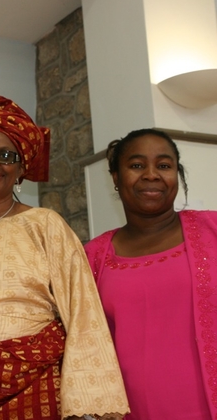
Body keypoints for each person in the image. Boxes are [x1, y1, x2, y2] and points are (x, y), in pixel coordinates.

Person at [0, 95, 130, 420]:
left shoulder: (46, 223)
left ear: (22, 167)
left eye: (5, 155)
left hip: (37, 383)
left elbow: (83, 312)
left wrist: (90, 398)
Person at [85, 128, 217, 419]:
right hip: (135, 409)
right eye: (136, 165)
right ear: (116, 178)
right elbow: (85, 342)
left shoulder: (213, 230)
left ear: (176, 176)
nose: (151, 174)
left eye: (164, 165)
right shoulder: (92, 257)